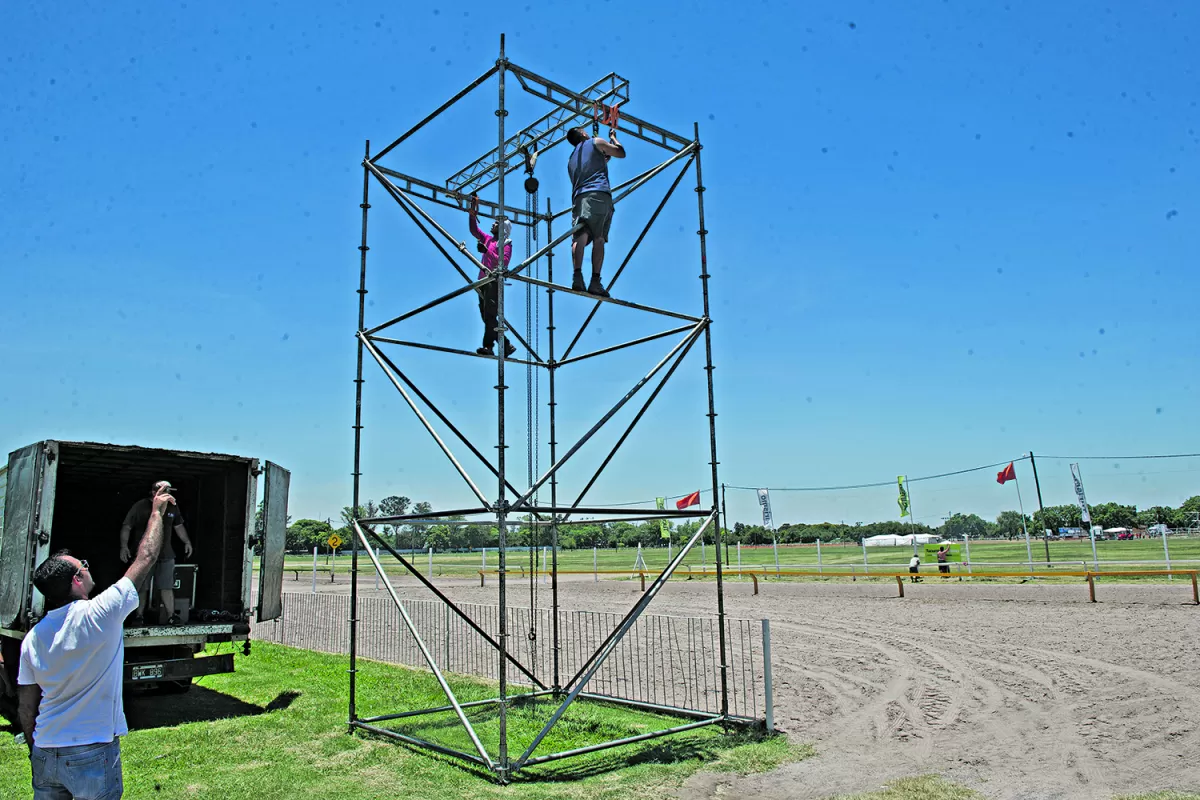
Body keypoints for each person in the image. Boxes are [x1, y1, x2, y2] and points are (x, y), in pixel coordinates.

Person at [18, 483, 176, 799]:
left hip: (46, 750)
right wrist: (157, 513)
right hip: (91, 750)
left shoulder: (33, 638)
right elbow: (145, 558)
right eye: (84, 566)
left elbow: (26, 703)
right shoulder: (100, 614)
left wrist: (35, 745)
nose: (88, 567)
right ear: (77, 580)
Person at [119, 480, 193, 626]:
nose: (168, 495)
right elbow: (127, 527)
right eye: (164, 492)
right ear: (154, 493)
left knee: (166, 586)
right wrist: (124, 546)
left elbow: (178, 526)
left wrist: (187, 542)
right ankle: (139, 616)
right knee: (142, 586)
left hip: (166, 554)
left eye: (169, 492)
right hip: (144, 555)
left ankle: (172, 616)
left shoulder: (173, 506)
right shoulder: (140, 506)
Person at [565, 124, 625, 298]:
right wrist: (613, 138)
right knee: (599, 238)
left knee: (580, 236)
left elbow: (601, 160)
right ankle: (595, 281)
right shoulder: (596, 142)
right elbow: (620, 152)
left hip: (579, 198)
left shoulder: (571, 159)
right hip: (598, 194)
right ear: (583, 133)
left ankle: (577, 276)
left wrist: (603, 155)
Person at [468, 195, 516, 358]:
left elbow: (504, 262)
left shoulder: (506, 243)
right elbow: (474, 230)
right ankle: (506, 344)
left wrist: (486, 251)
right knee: (486, 316)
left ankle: (488, 346)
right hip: (483, 280)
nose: (493, 224)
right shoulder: (488, 239)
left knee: (489, 315)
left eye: (496, 223)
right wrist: (472, 213)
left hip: (493, 280)